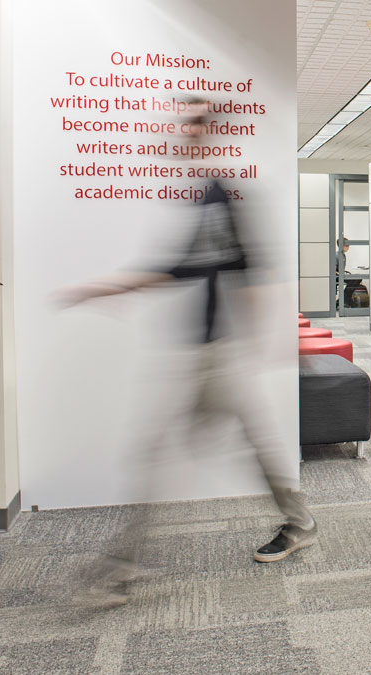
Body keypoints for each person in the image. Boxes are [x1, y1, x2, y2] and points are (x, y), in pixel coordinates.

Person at [59, 99, 317, 604]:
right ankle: (298, 521)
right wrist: (108, 290)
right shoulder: (200, 198)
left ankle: (122, 567)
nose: (181, 134)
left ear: (207, 133)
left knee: (163, 451)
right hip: (200, 353)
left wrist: (274, 337)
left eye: (192, 126)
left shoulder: (221, 198)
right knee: (223, 445)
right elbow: (178, 269)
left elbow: (254, 266)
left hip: (216, 356)